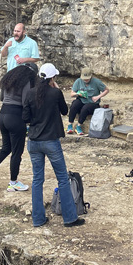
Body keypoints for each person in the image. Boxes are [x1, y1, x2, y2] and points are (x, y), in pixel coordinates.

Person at [23, 63, 85, 228]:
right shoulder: (55, 93)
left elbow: (25, 117)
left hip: (34, 142)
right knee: (62, 179)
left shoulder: (30, 93)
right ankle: (70, 218)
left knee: (37, 180)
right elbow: (65, 111)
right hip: (50, 141)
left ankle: (38, 219)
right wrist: (56, 88)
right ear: (52, 78)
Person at [0, 64, 37, 191]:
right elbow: (25, 101)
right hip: (15, 117)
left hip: (3, 115)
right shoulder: (26, 80)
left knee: (5, 148)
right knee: (17, 152)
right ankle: (13, 182)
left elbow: (1, 98)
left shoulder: (9, 78)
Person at [66, 67, 109, 136]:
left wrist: (98, 97)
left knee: (85, 108)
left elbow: (106, 90)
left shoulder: (96, 82)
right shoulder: (78, 81)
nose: (86, 80)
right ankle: (70, 125)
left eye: (87, 78)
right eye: (84, 78)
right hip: (82, 100)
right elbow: (72, 94)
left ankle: (79, 126)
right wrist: (78, 94)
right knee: (74, 105)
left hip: (92, 103)